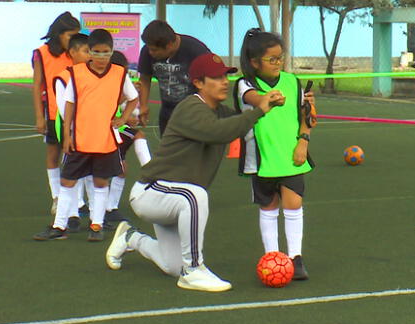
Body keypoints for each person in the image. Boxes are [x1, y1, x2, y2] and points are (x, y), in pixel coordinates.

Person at [105, 53, 284, 292]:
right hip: (152, 192)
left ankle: (131, 238)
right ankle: (193, 271)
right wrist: (259, 110)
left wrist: (270, 103)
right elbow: (220, 132)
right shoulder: (190, 107)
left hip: (174, 198)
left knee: (171, 265)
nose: (224, 82)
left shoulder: (220, 111)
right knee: (195, 196)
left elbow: (242, 124)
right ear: (199, 83)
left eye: (226, 77)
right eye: (216, 77)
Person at [33, 29, 139, 242]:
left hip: (105, 141)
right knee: (67, 180)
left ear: (112, 51)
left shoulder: (119, 73)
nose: (101, 57)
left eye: (106, 52)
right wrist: (68, 135)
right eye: (97, 52)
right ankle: (59, 226)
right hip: (80, 139)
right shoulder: (77, 73)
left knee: (101, 183)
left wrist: (123, 118)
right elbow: (69, 104)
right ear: (89, 52)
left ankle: (96, 225)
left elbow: (134, 97)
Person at [234, 28, 317, 280]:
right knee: (268, 208)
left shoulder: (293, 81)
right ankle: (272, 256)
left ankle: (295, 258)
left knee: (293, 206)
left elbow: (307, 116)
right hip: (260, 159)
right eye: (272, 59)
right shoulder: (244, 85)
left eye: (281, 57)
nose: (278, 63)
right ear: (254, 62)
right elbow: (254, 98)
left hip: (292, 156)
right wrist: (268, 98)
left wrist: (303, 141)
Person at [32, 12, 81, 215]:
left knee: (75, 157)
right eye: (71, 35)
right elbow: (37, 87)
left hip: (77, 114)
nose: (74, 40)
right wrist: (39, 117)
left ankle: (77, 202)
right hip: (54, 114)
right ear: (59, 34)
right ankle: (57, 197)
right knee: (53, 155)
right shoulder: (41, 54)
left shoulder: (76, 52)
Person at [46, 33, 91, 233]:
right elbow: (65, 110)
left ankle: (87, 211)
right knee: (72, 170)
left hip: (89, 129)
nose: (90, 55)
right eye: (86, 51)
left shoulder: (90, 76)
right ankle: (71, 214)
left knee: (88, 171)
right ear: (72, 52)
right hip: (70, 129)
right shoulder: (64, 77)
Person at [137, 20, 211, 136]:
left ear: (169, 45)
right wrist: (143, 106)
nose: (150, 52)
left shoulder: (196, 51)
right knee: (168, 151)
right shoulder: (147, 51)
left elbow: (212, 80)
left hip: (195, 112)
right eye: (149, 48)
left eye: (154, 50)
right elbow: (145, 79)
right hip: (168, 113)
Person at [105, 51, 153, 224]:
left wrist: (131, 115)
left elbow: (127, 109)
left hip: (117, 125)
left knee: (121, 168)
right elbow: (110, 104)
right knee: (138, 137)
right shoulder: (107, 82)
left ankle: (109, 208)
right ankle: (151, 174)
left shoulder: (121, 81)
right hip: (107, 127)